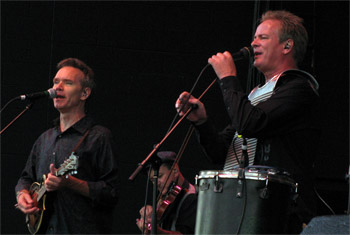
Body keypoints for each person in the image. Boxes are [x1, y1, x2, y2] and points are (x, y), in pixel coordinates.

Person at [175, 10, 320, 233]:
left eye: (263, 37)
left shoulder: (298, 88)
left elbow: (250, 124)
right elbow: (220, 152)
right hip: (240, 205)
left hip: (274, 209)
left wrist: (228, 78)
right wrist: (202, 122)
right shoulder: (256, 94)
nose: (253, 43)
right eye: (254, 37)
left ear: (287, 46)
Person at [15, 58, 120, 234]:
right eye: (56, 82)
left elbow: (111, 193)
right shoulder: (44, 139)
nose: (58, 87)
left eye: (68, 83)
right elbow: (25, 178)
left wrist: (70, 183)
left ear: (85, 93)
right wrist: (22, 194)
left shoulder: (99, 137)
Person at [136, 151, 197, 234]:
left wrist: (158, 232)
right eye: (152, 180)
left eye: (160, 176)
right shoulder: (168, 194)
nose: (156, 183)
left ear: (175, 171)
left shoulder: (192, 198)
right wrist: (149, 214)